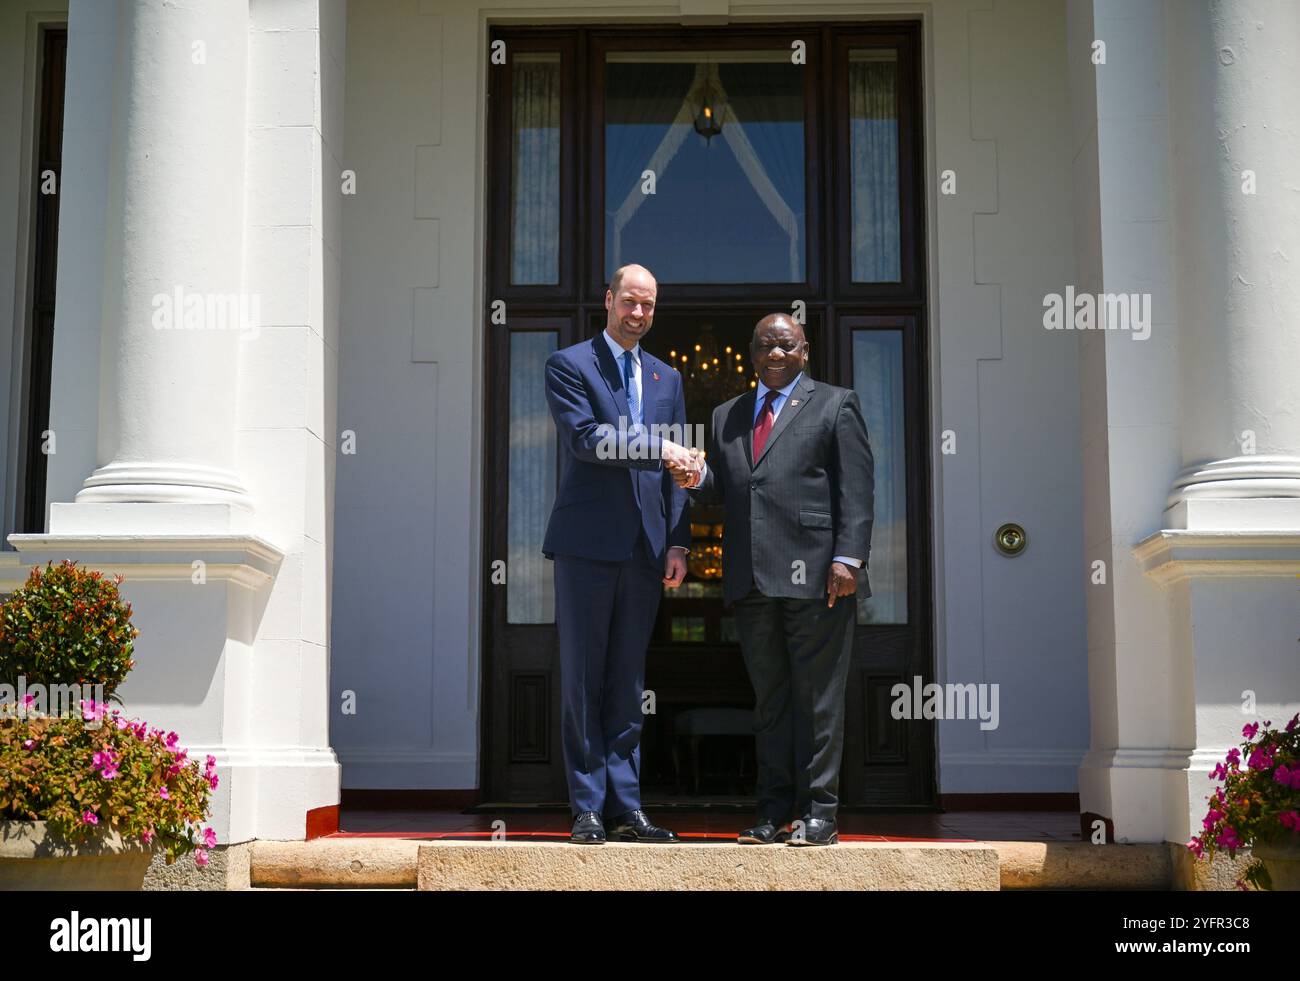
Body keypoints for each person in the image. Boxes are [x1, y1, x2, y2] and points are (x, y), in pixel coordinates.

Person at [670, 313, 873, 845]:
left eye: (785, 345)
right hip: (753, 581)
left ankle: (819, 814)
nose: (775, 354)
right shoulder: (726, 415)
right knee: (770, 704)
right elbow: (732, 487)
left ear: (804, 350)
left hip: (820, 580)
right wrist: (698, 477)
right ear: (752, 352)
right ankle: (772, 812)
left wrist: (848, 559)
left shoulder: (835, 403)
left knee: (818, 701)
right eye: (765, 346)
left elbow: (857, 487)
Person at [542, 263, 701, 844]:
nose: (638, 314)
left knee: (629, 683)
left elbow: (678, 472)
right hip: (587, 546)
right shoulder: (570, 364)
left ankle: (626, 807)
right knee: (584, 677)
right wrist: (665, 449)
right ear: (608, 299)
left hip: (645, 550)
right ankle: (587, 807)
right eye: (629, 302)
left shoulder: (667, 377)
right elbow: (587, 441)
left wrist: (679, 540)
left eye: (649, 306)